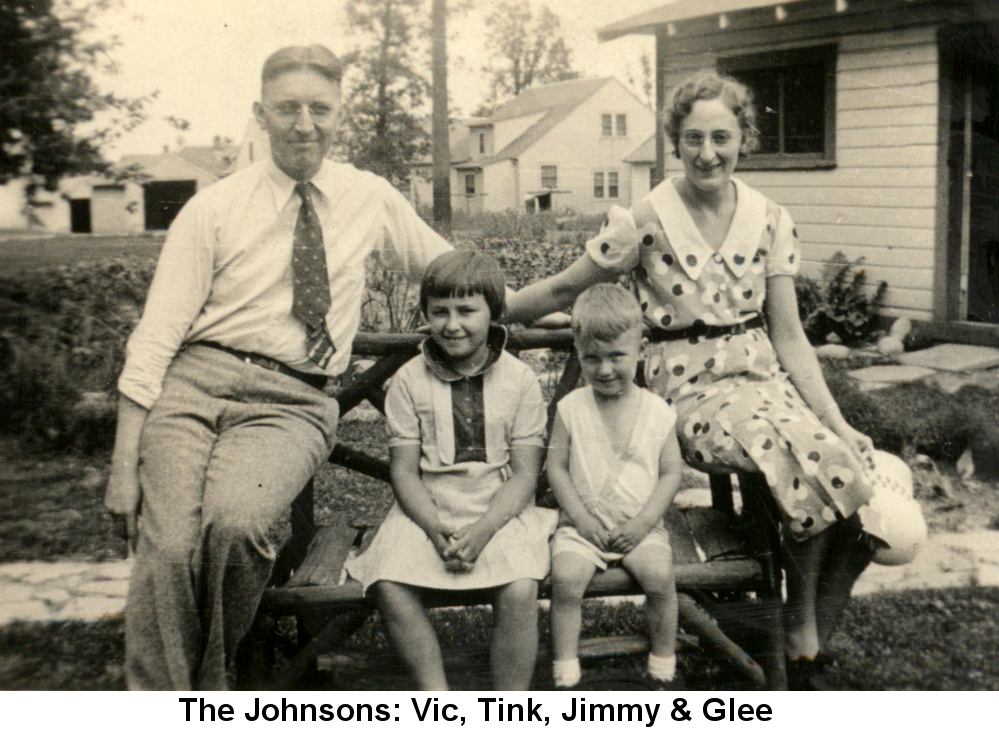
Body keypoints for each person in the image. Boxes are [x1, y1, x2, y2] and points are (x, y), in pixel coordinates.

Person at [506, 71, 885, 689]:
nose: (707, 152)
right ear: (674, 143)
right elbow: (562, 288)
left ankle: (801, 620)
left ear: (744, 139)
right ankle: (799, 629)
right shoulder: (644, 220)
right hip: (687, 393)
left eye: (721, 137)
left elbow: (789, 336)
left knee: (844, 465)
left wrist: (839, 419)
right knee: (811, 456)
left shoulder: (769, 218)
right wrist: (488, 307)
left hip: (765, 386)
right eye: (692, 139)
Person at [103, 44, 452, 690]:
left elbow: (459, 278)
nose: (303, 124)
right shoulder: (212, 208)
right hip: (192, 385)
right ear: (259, 114)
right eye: (287, 108)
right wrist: (124, 467)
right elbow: (154, 339)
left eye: (319, 109)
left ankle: (201, 692)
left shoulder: (368, 197)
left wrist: (587, 273)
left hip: (292, 401)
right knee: (168, 549)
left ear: (338, 117)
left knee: (236, 526)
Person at [344, 250, 557, 691]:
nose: (452, 324)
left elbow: (523, 475)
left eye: (466, 310)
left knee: (519, 588)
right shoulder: (408, 380)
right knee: (388, 583)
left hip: (500, 507)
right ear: (425, 315)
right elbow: (404, 473)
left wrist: (483, 530)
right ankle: (436, 699)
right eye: (439, 312)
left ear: (494, 313)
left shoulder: (520, 380)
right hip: (428, 506)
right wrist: (434, 527)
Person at [546, 283, 683, 689]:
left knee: (659, 577)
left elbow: (671, 473)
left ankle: (663, 658)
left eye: (616, 357)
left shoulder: (657, 412)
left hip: (638, 528)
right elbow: (556, 467)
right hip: (583, 525)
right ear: (577, 352)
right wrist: (581, 519)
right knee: (567, 579)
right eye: (592, 358)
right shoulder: (570, 409)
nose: (604, 370)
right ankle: (565, 668)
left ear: (641, 349)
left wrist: (642, 524)